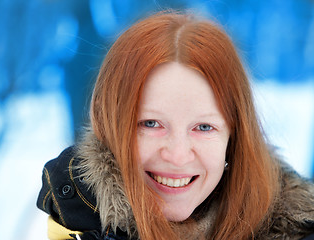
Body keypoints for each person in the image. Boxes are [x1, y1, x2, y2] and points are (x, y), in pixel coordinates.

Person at [37, 11, 314, 240]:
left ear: (234, 138)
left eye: (204, 127)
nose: (178, 155)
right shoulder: (76, 220)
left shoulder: (298, 228)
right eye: (151, 123)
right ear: (111, 127)